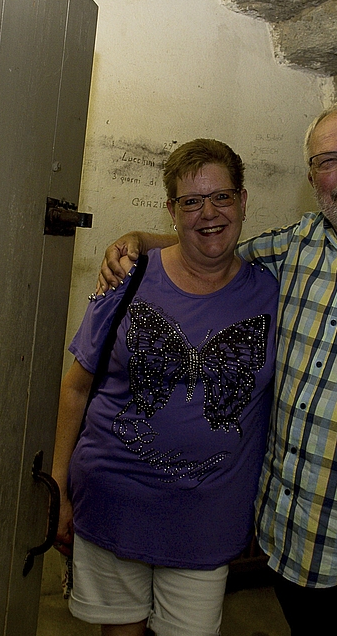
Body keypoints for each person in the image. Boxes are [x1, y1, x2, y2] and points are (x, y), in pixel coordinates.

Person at [98, 100, 337, 635]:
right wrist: (138, 241)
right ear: (312, 177)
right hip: (294, 547)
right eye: (327, 161)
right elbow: (212, 247)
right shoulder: (293, 248)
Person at [51, 138, 279, 636]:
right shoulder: (129, 279)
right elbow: (75, 389)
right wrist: (58, 489)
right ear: (171, 211)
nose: (208, 213)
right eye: (191, 201)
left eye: (221, 197)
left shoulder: (274, 291)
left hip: (206, 519)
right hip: (112, 499)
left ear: (243, 201)